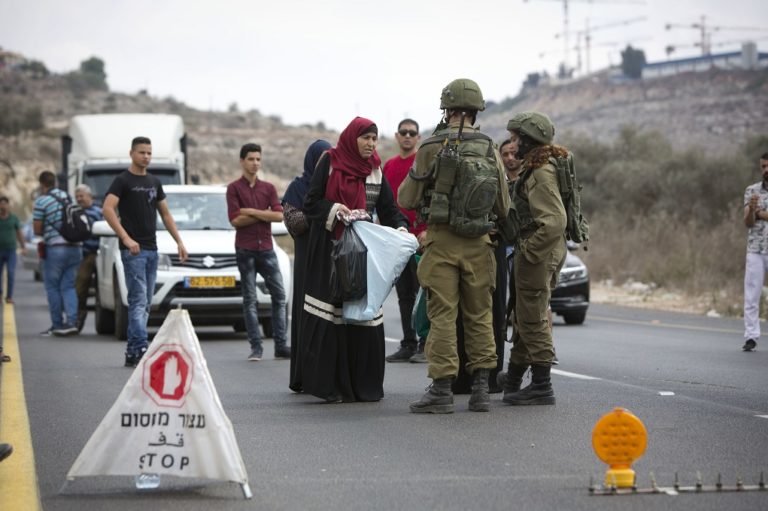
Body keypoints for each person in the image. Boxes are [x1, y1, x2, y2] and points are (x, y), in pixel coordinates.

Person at [398, 78, 511, 413]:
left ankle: (442, 389)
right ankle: (479, 389)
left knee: (443, 315)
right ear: (476, 111)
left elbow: (407, 197)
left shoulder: (431, 145)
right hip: (480, 244)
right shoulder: (490, 147)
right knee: (480, 315)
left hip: (442, 242)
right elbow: (504, 205)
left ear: (447, 109)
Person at [300, 117, 408, 402]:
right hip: (330, 252)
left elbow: (388, 207)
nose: (371, 144)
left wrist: (400, 228)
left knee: (364, 315)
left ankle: (363, 387)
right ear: (352, 138)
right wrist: (337, 210)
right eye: (366, 138)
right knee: (331, 317)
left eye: (374, 139)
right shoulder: (330, 162)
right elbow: (310, 203)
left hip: (362, 254)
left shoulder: (375, 170)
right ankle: (332, 387)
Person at [498, 111, 567, 406]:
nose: (512, 146)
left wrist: (528, 251)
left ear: (529, 139)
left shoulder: (540, 172)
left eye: (516, 139)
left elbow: (553, 221)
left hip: (538, 254)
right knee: (525, 316)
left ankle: (542, 385)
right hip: (545, 253)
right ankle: (514, 379)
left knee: (533, 320)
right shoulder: (541, 166)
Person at [103, 136, 188, 367]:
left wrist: (179, 241)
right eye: (142, 152)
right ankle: (141, 347)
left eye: (149, 153)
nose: (146, 157)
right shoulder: (122, 180)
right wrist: (126, 238)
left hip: (152, 249)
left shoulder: (154, 181)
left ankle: (133, 352)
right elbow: (108, 209)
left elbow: (166, 214)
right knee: (138, 301)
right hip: (133, 252)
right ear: (132, 153)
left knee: (146, 302)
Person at [227, 143, 290, 362]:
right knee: (250, 299)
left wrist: (252, 211)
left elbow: (279, 216)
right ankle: (256, 348)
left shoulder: (269, 188)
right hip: (245, 249)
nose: (255, 163)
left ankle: (281, 346)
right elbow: (236, 220)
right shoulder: (234, 189)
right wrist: (265, 214)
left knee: (279, 296)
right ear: (242, 161)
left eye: (258, 159)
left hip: (267, 248)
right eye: (251, 159)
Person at [283, 139, 332, 391]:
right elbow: (295, 223)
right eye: (321, 157)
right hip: (306, 259)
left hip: (329, 259)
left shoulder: (334, 186)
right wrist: (321, 211)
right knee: (306, 317)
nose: (326, 162)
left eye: (329, 157)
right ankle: (303, 376)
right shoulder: (297, 188)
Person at [382, 118, 427, 363]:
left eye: (412, 133)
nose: (408, 136)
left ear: (418, 137)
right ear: (397, 136)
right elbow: (386, 203)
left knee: (424, 293)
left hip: (420, 237)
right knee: (404, 294)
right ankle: (408, 343)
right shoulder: (389, 166)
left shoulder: (423, 163)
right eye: (403, 132)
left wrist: (426, 230)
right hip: (397, 240)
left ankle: (425, 344)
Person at [33, 171, 82, 336]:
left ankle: (57, 324)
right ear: (55, 182)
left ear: (42, 184)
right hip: (76, 247)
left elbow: (37, 230)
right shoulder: (69, 198)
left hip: (55, 248)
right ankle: (71, 322)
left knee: (52, 287)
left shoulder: (42, 201)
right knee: (68, 286)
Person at [741, 152, 768, 352]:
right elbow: (748, 223)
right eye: (763, 166)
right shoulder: (752, 190)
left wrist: (760, 213)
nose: (766, 170)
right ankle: (751, 336)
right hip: (756, 249)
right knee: (752, 294)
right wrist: (751, 210)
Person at [73, 185, 103, 332]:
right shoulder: (74, 212)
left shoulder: (99, 212)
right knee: (80, 288)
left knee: (101, 289)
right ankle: (78, 317)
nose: (79, 199)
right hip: (79, 254)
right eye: (77, 196)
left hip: (96, 253)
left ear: (89, 196)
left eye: (82, 196)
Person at [0, 196, 26, 304]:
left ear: (8, 205)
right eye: (1, 204)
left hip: (11, 250)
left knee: (10, 273)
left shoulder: (13, 218)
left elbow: (19, 233)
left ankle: (9, 296)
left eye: (5, 204)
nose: (3, 206)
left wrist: (23, 246)